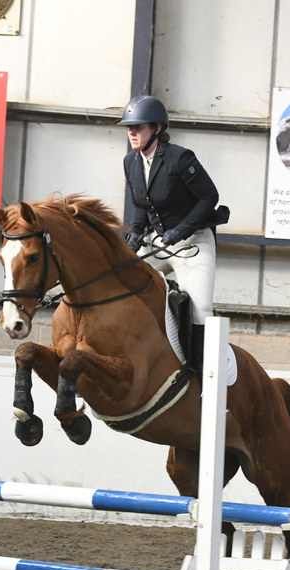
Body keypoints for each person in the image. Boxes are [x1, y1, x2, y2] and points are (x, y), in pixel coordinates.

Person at [118, 94, 227, 370]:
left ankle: (203, 375)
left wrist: (182, 229)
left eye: (138, 127)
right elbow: (139, 203)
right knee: (119, 282)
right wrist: (134, 233)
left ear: (156, 128)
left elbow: (209, 197)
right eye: (129, 127)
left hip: (193, 243)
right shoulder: (130, 162)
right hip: (158, 242)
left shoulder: (180, 158)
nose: (132, 132)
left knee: (200, 310)